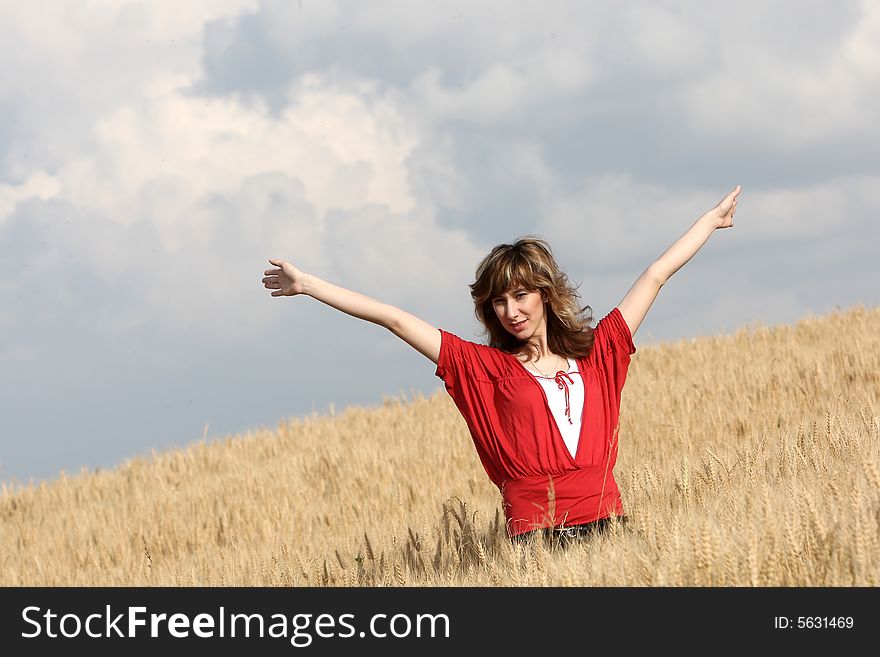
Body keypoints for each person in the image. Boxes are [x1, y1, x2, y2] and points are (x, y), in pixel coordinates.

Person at [262, 185, 740, 547]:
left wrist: (710, 222)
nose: (511, 311)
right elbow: (394, 319)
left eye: (520, 295)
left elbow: (655, 276)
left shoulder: (598, 354)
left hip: (609, 527)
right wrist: (308, 284)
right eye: (497, 302)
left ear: (546, 295)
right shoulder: (485, 369)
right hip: (534, 541)